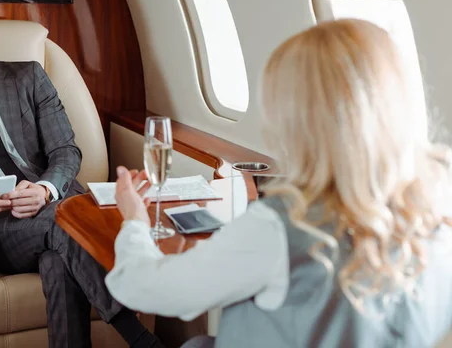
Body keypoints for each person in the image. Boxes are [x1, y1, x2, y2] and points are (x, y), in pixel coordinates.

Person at [106, 19, 452, 347]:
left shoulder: (281, 227)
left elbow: (146, 287)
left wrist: (135, 218)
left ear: (302, 123)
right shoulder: (438, 216)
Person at [0, 0, 163, 348]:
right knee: (64, 222)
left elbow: (66, 151)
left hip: (57, 204)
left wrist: (44, 189)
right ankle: (139, 338)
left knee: (59, 263)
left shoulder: (30, 77)